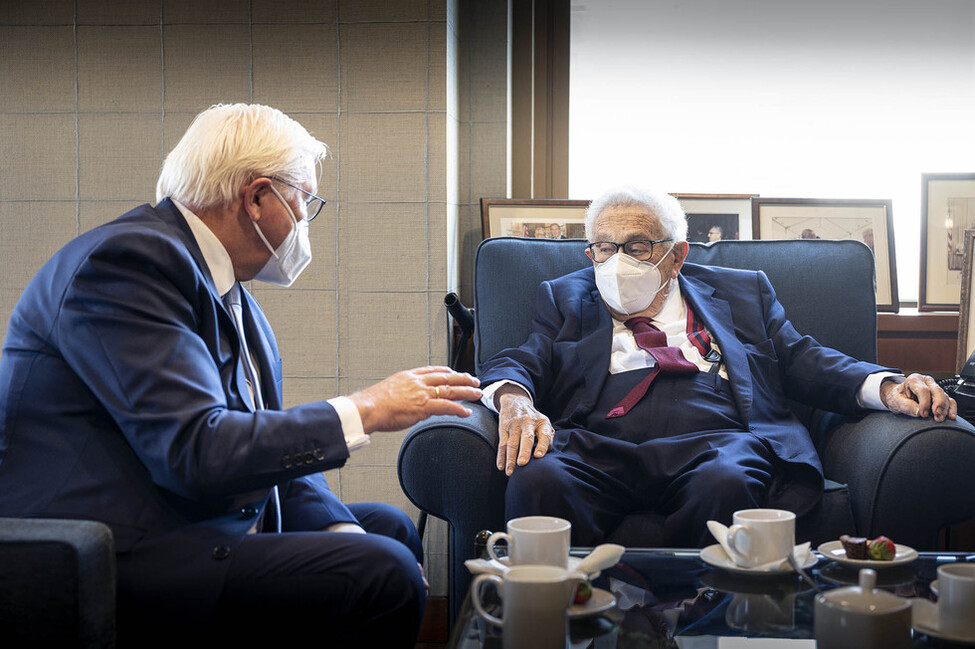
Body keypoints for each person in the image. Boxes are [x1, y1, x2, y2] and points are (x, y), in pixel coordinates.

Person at [0, 103, 481, 647]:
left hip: (180, 518)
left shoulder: (227, 289)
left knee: (383, 529)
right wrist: (366, 409)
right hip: (115, 548)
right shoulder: (129, 263)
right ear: (256, 197)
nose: (304, 218)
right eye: (304, 198)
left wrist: (335, 525)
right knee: (381, 571)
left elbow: (257, 437)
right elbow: (196, 450)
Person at [478, 185, 955, 549]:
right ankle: (564, 622)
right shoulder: (565, 296)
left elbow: (801, 359)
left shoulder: (741, 292)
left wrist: (888, 384)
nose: (616, 261)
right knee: (538, 480)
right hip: (595, 445)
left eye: (637, 246)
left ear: (676, 255)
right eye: (604, 247)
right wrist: (513, 398)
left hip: (714, 442)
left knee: (727, 482)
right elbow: (523, 357)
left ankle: (697, 620)